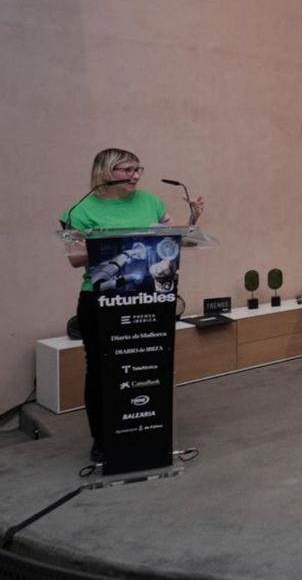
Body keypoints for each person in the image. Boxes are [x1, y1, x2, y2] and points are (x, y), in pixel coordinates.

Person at [61, 148, 205, 463]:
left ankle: (149, 429)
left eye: (138, 169)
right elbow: (74, 257)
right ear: (105, 171)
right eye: (127, 170)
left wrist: (192, 219)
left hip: (147, 294)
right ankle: (102, 439)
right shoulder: (82, 210)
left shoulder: (150, 201)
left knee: (151, 362)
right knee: (101, 369)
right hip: (100, 297)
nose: (136, 176)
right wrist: (118, 243)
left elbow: (171, 237)